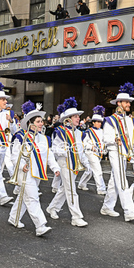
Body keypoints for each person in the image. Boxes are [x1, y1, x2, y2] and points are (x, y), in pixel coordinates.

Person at [8, 101, 60, 236]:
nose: (41, 123)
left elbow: (49, 155)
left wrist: (55, 168)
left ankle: (13, 218)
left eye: (41, 121)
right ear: (30, 124)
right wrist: (21, 165)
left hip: (38, 172)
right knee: (32, 198)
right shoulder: (20, 136)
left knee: (24, 196)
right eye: (38, 121)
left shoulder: (44, 138)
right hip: (24, 172)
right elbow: (14, 156)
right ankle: (40, 225)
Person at [100, 83, 134, 222]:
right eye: (126, 102)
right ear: (119, 103)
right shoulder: (110, 120)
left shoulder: (128, 119)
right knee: (122, 180)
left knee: (114, 181)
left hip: (124, 153)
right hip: (115, 152)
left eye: (129, 102)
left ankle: (107, 207)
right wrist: (115, 140)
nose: (129, 104)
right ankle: (129, 212)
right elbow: (106, 138)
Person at [46, 97, 90, 227]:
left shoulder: (79, 133)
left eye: (78, 116)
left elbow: (80, 150)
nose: (78, 118)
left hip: (75, 164)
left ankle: (52, 208)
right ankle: (76, 217)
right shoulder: (60, 132)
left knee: (65, 189)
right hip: (65, 163)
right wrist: (65, 151)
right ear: (68, 119)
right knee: (71, 190)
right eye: (75, 116)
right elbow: (55, 149)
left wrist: (85, 163)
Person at [78, 105, 107, 194]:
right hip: (90, 153)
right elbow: (83, 143)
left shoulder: (102, 131)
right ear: (93, 122)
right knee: (98, 170)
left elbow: (104, 142)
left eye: (100, 122)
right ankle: (101, 189)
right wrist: (91, 147)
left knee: (90, 170)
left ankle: (81, 184)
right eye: (97, 122)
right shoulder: (89, 132)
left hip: (99, 153)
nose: (99, 124)